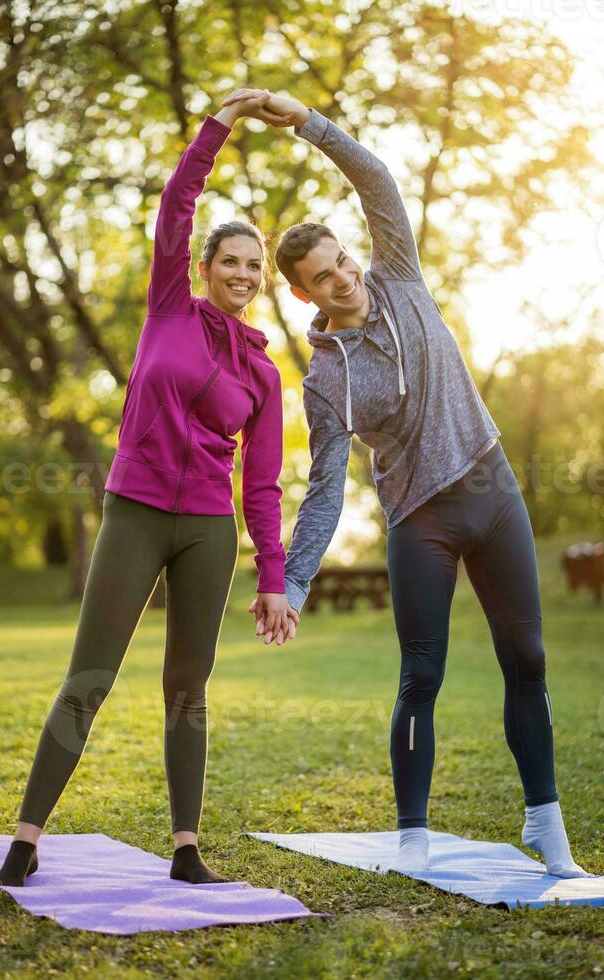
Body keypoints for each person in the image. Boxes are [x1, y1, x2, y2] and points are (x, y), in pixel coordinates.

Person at [224, 88, 589, 878]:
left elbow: (378, 181)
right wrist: (292, 577)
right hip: (420, 518)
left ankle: (546, 824)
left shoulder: (401, 278)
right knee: (421, 673)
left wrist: (310, 123)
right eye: (322, 277)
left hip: (494, 493)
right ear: (303, 293)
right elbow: (324, 487)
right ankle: (413, 835)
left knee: (527, 657)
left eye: (342, 261)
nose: (342, 279)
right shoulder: (325, 380)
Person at [0, 91, 299, 889]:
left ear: (261, 280)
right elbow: (177, 202)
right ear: (203, 267)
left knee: (188, 689)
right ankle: (26, 840)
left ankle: (187, 847)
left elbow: (261, 486)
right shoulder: (169, 309)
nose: (239, 273)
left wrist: (273, 577)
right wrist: (221, 125)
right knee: (89, 676)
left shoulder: (264, 373)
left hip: (207, 530)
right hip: (134, 512)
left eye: (252, 266)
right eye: (228, 260)